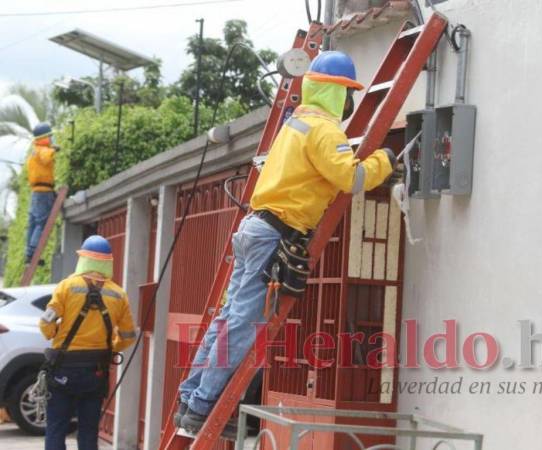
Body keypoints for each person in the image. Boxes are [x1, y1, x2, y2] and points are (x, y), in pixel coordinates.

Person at [176, 51, 397, 437]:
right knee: (244, 325)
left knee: (227, 320)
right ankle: (203, 407)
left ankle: (190, 400)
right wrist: (386, 161)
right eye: (348, 95)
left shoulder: (296, 123)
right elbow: (350, 178)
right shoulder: (326, 131)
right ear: (335, 93)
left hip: (255, 228)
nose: (350, 105)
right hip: (275, 233)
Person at [39, 235, 137, 450]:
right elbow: (129, 336)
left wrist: (52, 333)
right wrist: (112, 347)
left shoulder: (67, 287)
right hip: (96, 372)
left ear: (83, 259)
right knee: (88, 431)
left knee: (56, 427)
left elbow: (45, 322)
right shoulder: (119, 294)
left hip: (62, 369)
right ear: (107, 262)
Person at [25, 122, 59, 265]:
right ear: (45, 137)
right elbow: (46, 157)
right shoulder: (43, 149)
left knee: (33, 224)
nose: (52, 139)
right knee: (41, 223)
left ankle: (29, 254)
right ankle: (33, 254)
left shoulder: (33, 151)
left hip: (36, 192)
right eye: (50, 137)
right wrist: (54, 150)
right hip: (44, 192)